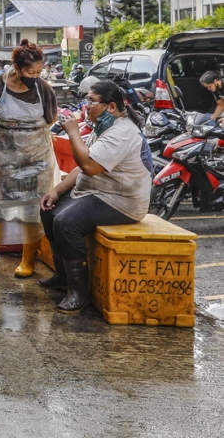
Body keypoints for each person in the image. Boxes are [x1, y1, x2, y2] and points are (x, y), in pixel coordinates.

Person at [39, 79, 152, 313]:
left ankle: (79, 292)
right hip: (95, 191)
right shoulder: (103, 127)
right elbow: (80, 168)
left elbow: (88, 166)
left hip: (122, 201)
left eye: (91, 101)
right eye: (86, 100)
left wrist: (72, 133)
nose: (86, 106)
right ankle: (62, 275)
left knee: (66, 222)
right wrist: (56, 190)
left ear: (111, 107)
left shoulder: (122, 132)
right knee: (49, 208)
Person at [0, 40, 57, 276]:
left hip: (36, 158)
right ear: (17, 67)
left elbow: (50, 118)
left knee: (33, 208)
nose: (35, 76)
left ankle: (27, 261)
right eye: (30, 72)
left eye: (38, 72)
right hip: (0, 157)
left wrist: (26, 139)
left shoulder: (43, 89)